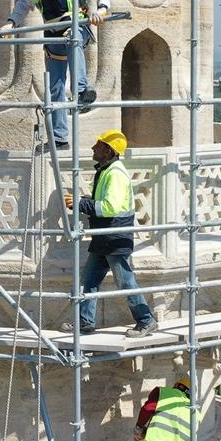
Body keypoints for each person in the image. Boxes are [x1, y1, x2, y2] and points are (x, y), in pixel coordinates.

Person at [0, 0, 111, 149]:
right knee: (55, 87)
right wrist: (11, 23)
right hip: (52, 34)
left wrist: (102, 9)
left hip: (75, 28)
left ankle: (82, 91)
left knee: (73, 39)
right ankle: (59, 138)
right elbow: (23, 5)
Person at [62, 130, 157, 337]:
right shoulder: (107, 171)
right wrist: (83, 201)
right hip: (105, 236)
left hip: (115, 236)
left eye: (98, 144)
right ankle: (85, 322)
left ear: (108, 150)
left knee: (125, 281)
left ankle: (146, 320)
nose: (93, 148)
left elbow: (110, 207)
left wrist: (81, 203)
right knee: (89, 281)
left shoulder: (115, 173)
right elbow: (105, 202)